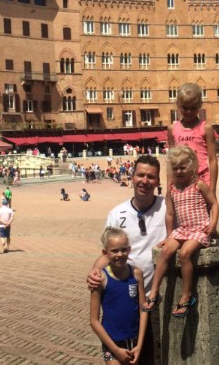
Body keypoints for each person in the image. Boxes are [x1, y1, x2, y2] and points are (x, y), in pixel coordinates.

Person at [87, 155, 166, 365]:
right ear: (132, 177)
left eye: (151, 177)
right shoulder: (117, 213)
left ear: (158, 181)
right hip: (128, 299)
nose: (145, 181)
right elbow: (107, 253)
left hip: (159, 296)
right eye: (140, 175)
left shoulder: (167, 208)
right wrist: (94, 273)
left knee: (154, 355)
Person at [142, 146, 218, 317]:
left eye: (183, 167)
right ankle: (154, 292)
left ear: (192, 166)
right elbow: (170, 215)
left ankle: (186, 296)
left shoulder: (199, 185)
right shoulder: (172, 190)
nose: (179, 171)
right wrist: (170, 236)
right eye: (175, 168)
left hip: (199, 229)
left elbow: (214, 204)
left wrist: (212, 225)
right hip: (182, 230)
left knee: (184, 254)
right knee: (166, 251)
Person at [90, 227, 148, 364]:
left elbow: (143, 309)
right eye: (114, 250)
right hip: (111, 346)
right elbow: (94, 320)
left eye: (123, 249)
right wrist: (115, 350)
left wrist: (139, 345)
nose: (120, 254)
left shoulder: (136, 274)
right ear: (105, 253)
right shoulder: (101, 279)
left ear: (129, 250)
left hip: (134, 343)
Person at [167, 83, 218, 193]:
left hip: (203, 181)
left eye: (193, 108)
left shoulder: (206, 128)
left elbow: (213, 160)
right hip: (180, 183)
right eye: (185, 108)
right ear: (178, 105)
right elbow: (171, 162)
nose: (189, 112)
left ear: (200, 105)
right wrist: (169, 188)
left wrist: (212, 189)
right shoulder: (172, 129)